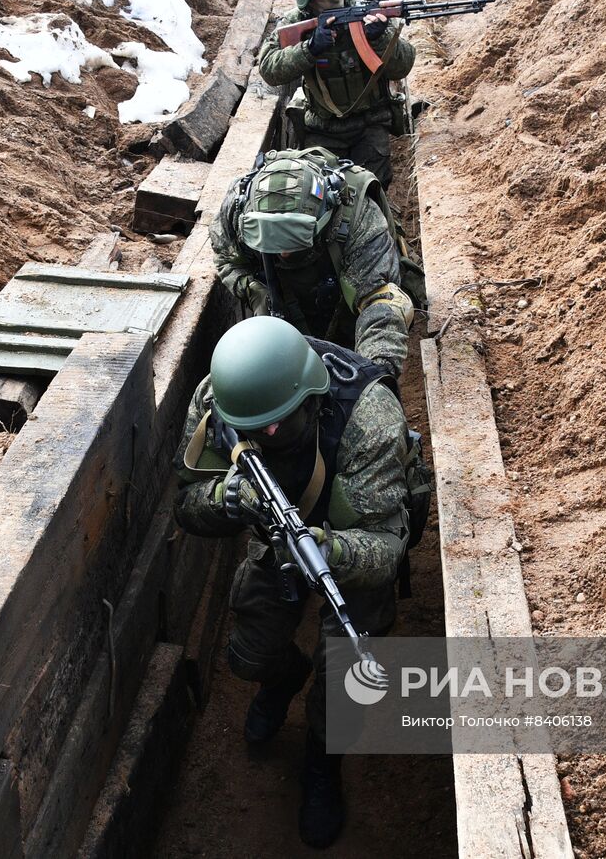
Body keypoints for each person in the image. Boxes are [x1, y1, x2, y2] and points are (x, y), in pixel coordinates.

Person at [173, 316, 414, 848]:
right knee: (247, 657)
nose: (267, 438)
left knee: (344, 686)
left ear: (313, 397)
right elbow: (186, 505)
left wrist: (325, 550)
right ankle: (284, 679)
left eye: (279, 426)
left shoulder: (368, 417)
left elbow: (384, 551)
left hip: (348, 543)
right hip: (276, 539)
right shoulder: (220, 399)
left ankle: (323, 762)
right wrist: (228, 499)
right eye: (254, 429)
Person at [211, 147, 416, 378]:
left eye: (294, 239)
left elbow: (380, 302)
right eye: (274, 241)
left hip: (343, 278)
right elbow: (226, 257)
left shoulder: (358, 217)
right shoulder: (236, 210)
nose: (284, 253)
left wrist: (372, 372)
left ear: (325, 216)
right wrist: (253, 289)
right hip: (284, 294)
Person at [258, 0, 415, 187]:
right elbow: (269, 69)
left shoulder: (369, 14)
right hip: (322, 127)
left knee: (371, 190)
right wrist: (309, 49)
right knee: (320, 194)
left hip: (369, 123)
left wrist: (379, 39)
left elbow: (403, 66)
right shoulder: (296, 22)